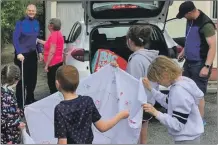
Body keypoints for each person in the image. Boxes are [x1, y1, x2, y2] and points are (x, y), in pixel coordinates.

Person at [54, 65, 129, 144]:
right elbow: (102, 127)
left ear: (57, 84)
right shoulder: (87, 101)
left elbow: (62, 142)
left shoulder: (60, 109)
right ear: (78, 82)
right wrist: (121, 115)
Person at [111, 25, 159, 144]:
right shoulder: (150, 56)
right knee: (143, 132)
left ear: (130, 41)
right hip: (149, 100)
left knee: (135, 133)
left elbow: (132, 84)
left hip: (140, 104)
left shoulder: (136, 60)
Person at [142, 56, 204, 144]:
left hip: (186, 139)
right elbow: (168, 101)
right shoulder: (185, 81)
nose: (158, 83)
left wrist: (156, 113)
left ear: (165, 75)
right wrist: (151, 89)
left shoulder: (178, 91)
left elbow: (178, 124)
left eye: (158, 81)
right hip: (192, 135)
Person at [176, 1, 217, 125]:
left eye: (184, 15)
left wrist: (207, 66)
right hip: (188, 62)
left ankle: (199, 121)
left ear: (190, 12)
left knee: (198, 93)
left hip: (200, 64)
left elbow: (213, 47)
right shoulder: (191, 20)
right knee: (183, 88)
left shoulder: (206, 24)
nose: (184, 17)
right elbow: (190, 38)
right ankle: (189, 115)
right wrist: (184, 51)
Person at [13, 4, 43, 108]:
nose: (31, 12)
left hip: (32, 55)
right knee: (21, 81)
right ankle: (20, 104)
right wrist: (18, 52)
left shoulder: (36, 22)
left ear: (35, 12)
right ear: (27, 11)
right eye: (29, 10)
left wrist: (39, 51)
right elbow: (15, 39)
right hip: (22, 56)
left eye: (33, 11)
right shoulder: (20, 22)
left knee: (32, 79)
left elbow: (37, 38)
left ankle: (30, 99)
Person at [37, 18, 64, 94]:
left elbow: (52, 51)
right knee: (56, 83)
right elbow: (48, 43)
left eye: (49, 24)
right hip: (58, 62)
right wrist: (38, 40)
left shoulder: (54, 35)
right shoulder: (56, 33)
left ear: (51, 26)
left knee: (52, 85)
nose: (47, 25)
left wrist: (46, 65)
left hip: (53, 64)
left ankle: (55, 102)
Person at [1, 64, 26, 144]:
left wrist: (21, 111)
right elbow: (6, 118)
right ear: (16, 80)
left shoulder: (5, 90)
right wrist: (17, 124)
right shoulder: (7, 96)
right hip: (9, 136)